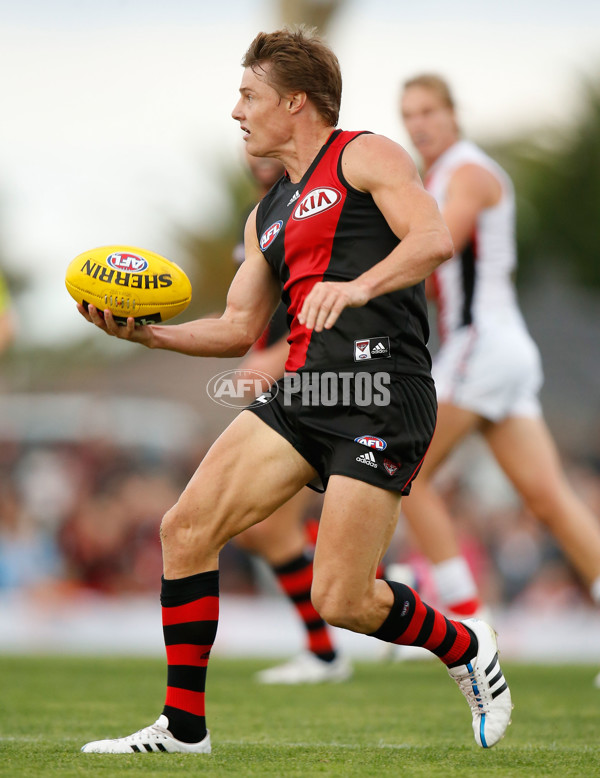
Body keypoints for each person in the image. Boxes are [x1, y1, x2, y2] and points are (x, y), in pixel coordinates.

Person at [78, 28, 512, 755]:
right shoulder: (267, 212)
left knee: (343, 599)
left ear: (296, 102)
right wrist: (149, 336)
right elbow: (236, 326)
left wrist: (358, 286)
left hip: (382, 390)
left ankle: (464, 643)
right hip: (304, 393)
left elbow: (434, 238)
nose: (237, 111)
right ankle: (184, 730)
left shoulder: (365, 154)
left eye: (249, 95)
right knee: (185, 529)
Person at [399, 74, 600, 627]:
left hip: (481, 346)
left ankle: (467, 616)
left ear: (453, 115)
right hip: (500, 348)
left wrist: (355, 275)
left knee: (400, 469)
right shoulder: (443, 174)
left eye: (428, 112)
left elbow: (439, 244)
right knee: (548, 499)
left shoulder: (467, 172)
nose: (418, 124)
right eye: (409, 115)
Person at [232, 149, 352, 684]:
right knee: (258, 528)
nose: (253, 150)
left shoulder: (319, 207)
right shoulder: (265, 213)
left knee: (262, 524)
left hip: (321, 388)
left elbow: (322, 311)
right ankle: (325, 646)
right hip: (288, 386)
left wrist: (269, 360)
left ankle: (331, 641)